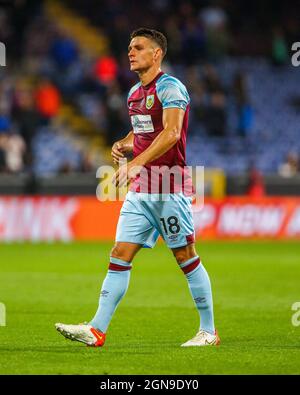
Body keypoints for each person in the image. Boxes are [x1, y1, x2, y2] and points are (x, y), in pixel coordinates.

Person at [55, 28, 219, 347]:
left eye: (138, 47)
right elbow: (142, 132)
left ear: (156, 54)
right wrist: (124, 143)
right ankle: (97, 329)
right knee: (120, 253)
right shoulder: (133, 94)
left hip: (168, 187)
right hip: (141, 191)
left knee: (185, 256)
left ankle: (209, 331)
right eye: (129, 47)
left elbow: (171, 133)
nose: (131, 52)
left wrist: (137, 162)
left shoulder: (172, 88)